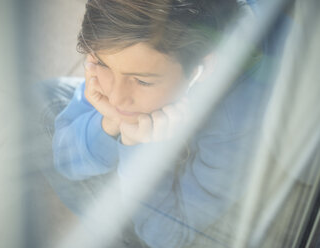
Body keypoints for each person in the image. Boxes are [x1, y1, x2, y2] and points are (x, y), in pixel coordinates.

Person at [48, 0, 275, 247]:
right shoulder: (133, 51)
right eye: (102, 64)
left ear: (203, 68)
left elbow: (170, 237)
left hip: (173, 216)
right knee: (48, 96)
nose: (115, 97)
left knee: (45, 113)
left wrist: (138, 148)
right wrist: (111, 121)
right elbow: (65, 161)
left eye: (142, 81)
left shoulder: (237, 122)